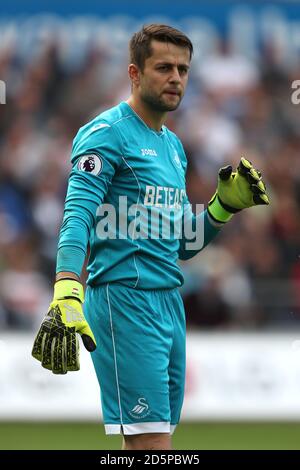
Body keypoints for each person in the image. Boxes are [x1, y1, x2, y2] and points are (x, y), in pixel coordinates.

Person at [32, 24, 269, 450]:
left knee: (148, 443)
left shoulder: (174, 148)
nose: (176, 78)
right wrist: (67, 284)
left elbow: (181, 245)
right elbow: (76, 215)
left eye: (182, 69)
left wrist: (222, 208)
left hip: (168, 302)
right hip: (125, 300)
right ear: (135, 74)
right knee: (153, 447)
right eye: (163, 67)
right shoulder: (106, 133)